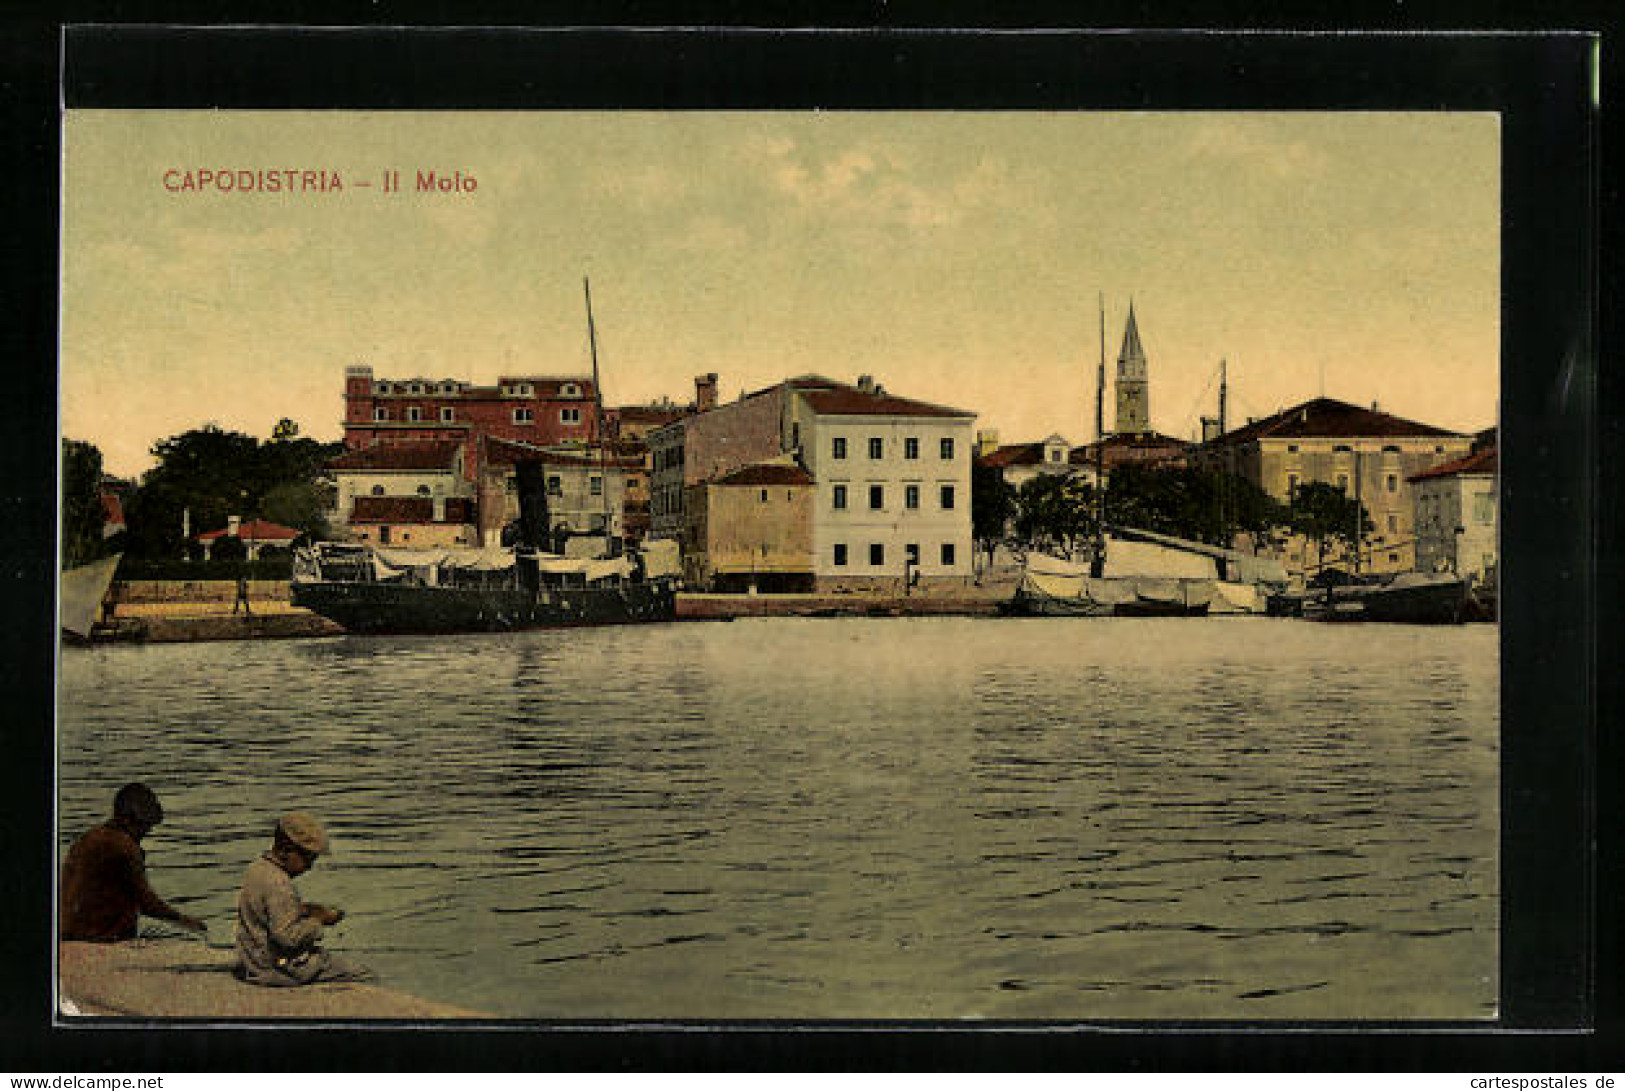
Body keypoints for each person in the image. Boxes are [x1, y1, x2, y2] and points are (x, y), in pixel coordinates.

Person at [235, 812, 374, 986]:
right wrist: (319, 921)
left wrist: (304, 910)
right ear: (286, 850)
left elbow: (266, 912)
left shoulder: (258, 869)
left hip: (253, 962)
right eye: (307, 859)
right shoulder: (280, 884)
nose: (309, 867)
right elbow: (288, 938)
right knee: (363, 975)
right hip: (275, 969)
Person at [60, 783, 208, 942]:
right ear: (131, 820)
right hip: (100, 939)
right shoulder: (125, 846)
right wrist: (187, 921)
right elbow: (147, 903)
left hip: (69, 932)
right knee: (194, 937)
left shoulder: (87, 839)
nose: (145, 834)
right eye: (145, 827)